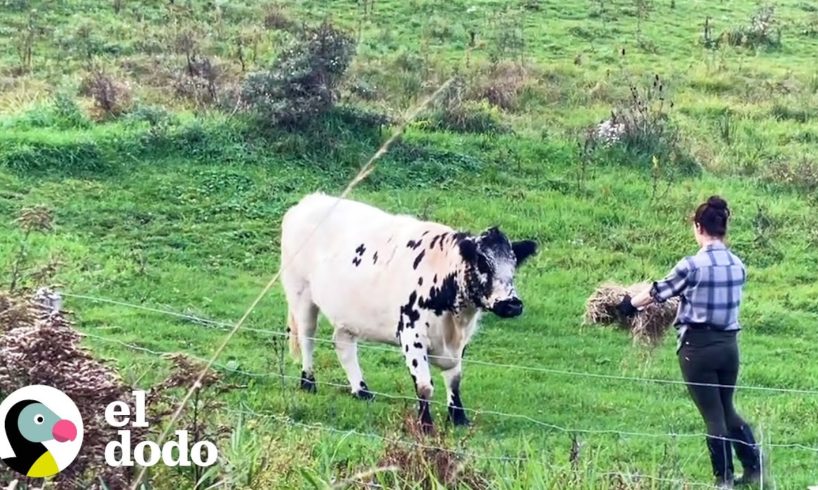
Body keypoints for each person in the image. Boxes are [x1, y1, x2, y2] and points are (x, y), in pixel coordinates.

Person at [615, 196, 761, 488]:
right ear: (724, 228)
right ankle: (755, 470)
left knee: (713, 416)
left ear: (698, 227)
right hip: (729, 346)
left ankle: (724, 481)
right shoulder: (738, 265)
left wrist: (629, 304)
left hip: (698, 348)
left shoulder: (692, 265)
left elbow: (658, 292)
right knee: (728, 407)